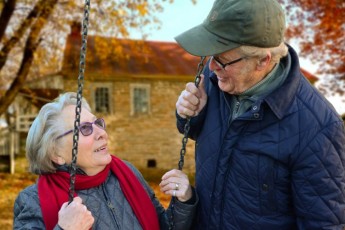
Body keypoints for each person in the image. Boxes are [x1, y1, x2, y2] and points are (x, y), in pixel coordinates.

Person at [174, 0, 345, 229]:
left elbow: (323, 223)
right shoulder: (217, 80)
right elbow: (198, 133)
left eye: (222, 60)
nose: (212, 66)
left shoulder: (318, 128)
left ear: (263, 60)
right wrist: (191, 113)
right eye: (210, 55)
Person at [13, 92, 198, 230]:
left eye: (97, 123)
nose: (101, 133)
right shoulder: (32, 201)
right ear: (56, 153)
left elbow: (164, 226)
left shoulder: (127, 173)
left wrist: (183, 201)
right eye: (85, 128)